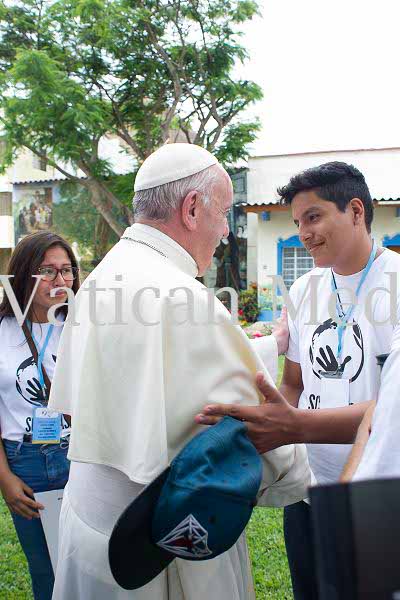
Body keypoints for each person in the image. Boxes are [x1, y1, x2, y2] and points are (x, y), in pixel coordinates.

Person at [48, 143, 312, 600]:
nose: (225, 231)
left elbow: (136, 377)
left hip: (88, 523)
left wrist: (273, 344)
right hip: (156, 542)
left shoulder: (105, 273)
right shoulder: (182, 296)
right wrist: (311, 474)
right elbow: (243, 429)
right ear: (191, 209)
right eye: (223, 213)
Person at [196, 161, 400, 599]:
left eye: (313, 217)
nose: (304, 233)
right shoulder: (304, 289)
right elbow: (294, 383)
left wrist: (294, 426)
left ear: (356, 211)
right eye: (296, 223)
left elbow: (391, 411)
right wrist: (273, 425)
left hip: (379, 491)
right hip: (310, 490)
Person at [0, 231, 80, 600]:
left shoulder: (84, 328)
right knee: (45, 569)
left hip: (78, 454)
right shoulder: (2, 331)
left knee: (87, 564)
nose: (60, 280)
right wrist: (5, 479)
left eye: (66, 270)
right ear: (23, 274)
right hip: (25, 463)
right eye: (47, 271)